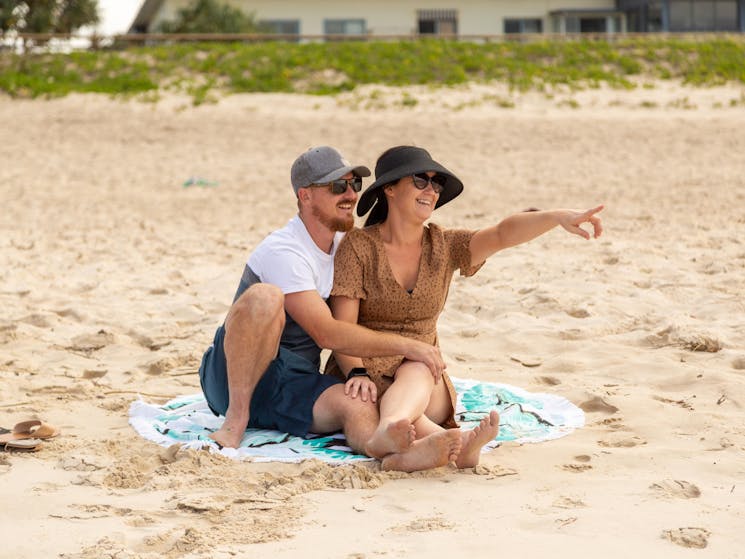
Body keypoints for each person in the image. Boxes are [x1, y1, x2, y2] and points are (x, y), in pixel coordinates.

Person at [326, 145, 604, 470]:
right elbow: (342, 329)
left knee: (417, 366)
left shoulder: (444, 245)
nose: (431, 189)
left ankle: (393, 430)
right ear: (389, 188)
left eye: (436, 183)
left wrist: (557, 217)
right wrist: (356, 371)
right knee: (376, 407)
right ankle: (454, 446)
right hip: (363, 372)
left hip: (423, 377)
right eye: (420, 179)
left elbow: (502, 234)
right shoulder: (359, 247)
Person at [198, 146, 462, 471]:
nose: (350, 194)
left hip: (294, 380)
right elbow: (327, 333)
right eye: (338, 186)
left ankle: (396, 454)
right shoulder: (284, 250)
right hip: (231, 376)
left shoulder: (345, 248)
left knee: (361, 402)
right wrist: (410, 346)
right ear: (305, 196)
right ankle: (235, 421)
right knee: (264, 298)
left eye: (355, 185)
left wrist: (360, 371)